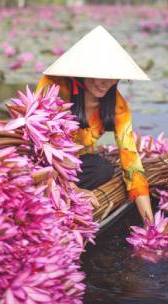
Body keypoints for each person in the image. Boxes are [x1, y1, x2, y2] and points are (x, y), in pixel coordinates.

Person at [36, 25, 154, 224]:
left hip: (75, 166)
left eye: (112, 76)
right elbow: (38, 143)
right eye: (99, 73)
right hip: (42, 163)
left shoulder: (118, 107)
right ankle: (59, 194)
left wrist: (151, 224)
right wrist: (72, 189)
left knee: (102, 169)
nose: (104, 82)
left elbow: (131, 163)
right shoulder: (54, 86)